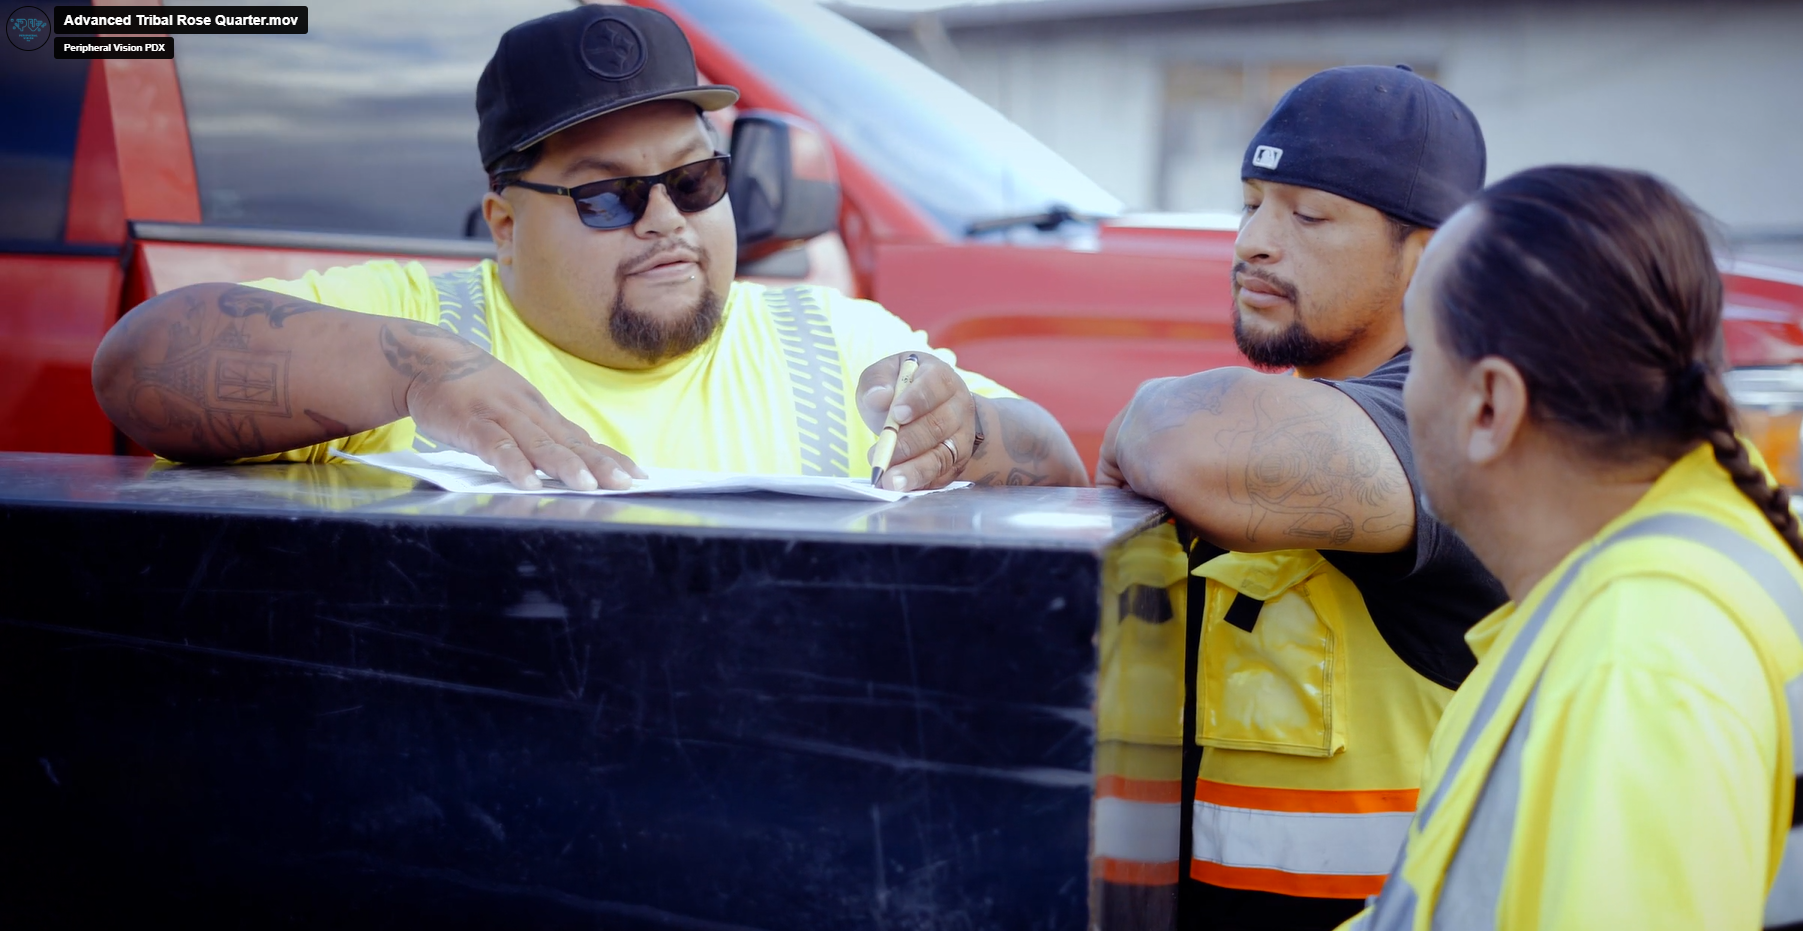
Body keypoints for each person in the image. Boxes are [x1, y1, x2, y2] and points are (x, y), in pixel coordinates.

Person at [90, 5, 1085, 493]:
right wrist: (414, 375)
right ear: (506, 224)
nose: (667, 220)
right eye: (609, 197)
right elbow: (138, 366)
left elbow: (1059, 470)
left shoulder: (835, 339)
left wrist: (974, 437)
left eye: (696, 182)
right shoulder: (409, 324)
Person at [1096, 66, 1507, 930]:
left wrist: (1140, 418)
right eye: (1250, 202)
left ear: (1430, 253)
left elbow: (1187, 443)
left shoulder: (1462, 427)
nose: (1252, 241)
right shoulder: (1285, 419)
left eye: (1307, 215)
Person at [1348, 167, 1803, 930]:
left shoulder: (1636, 659)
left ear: (1489, 405)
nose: (1404, 389)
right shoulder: (1681, 569)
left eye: (1415, 355)